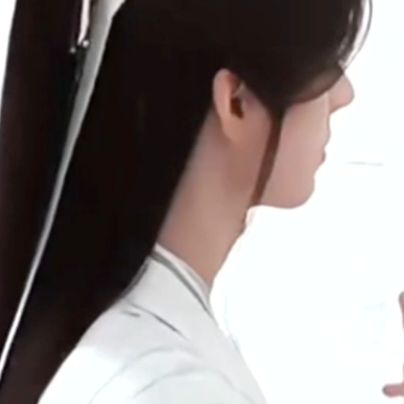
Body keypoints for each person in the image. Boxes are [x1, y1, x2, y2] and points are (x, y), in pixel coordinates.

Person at [33, 0, 375, 402]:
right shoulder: (172, 384)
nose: (345, 94)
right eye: (324, 64)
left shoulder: (134, 342)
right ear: (236, 103)